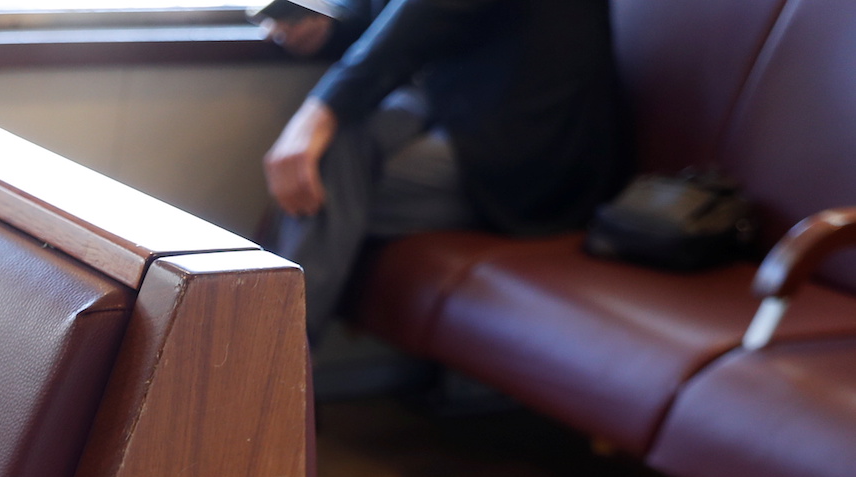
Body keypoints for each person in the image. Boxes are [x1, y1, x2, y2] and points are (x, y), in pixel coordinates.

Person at [260, 0, 630, 341]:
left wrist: (318, 112)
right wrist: (333, 29)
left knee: (321, 189)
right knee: (337, 143)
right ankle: (272, 359)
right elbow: (403, 22)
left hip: (530, 145)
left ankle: (272, 363)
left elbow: (426, 12)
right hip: (451, 101)